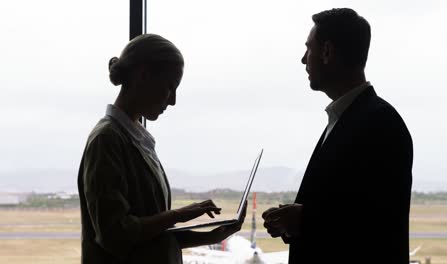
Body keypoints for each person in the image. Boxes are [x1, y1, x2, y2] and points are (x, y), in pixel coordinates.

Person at [77, 34, 245, 264]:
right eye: (169, 87)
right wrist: (179, 215)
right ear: (143, 75)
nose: (173, 100)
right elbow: (115, 234)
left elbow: (149, 237)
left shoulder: (135, 138)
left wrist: (211, 236)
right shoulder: (106, 140)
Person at [262, 8, 413, 264]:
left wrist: (304, 220)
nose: (303, 59)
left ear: (327, 52)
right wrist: (293, 222)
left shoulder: (379, 123)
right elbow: (348, 204)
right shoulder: (353, 118)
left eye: (308, 48)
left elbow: (380, 220)